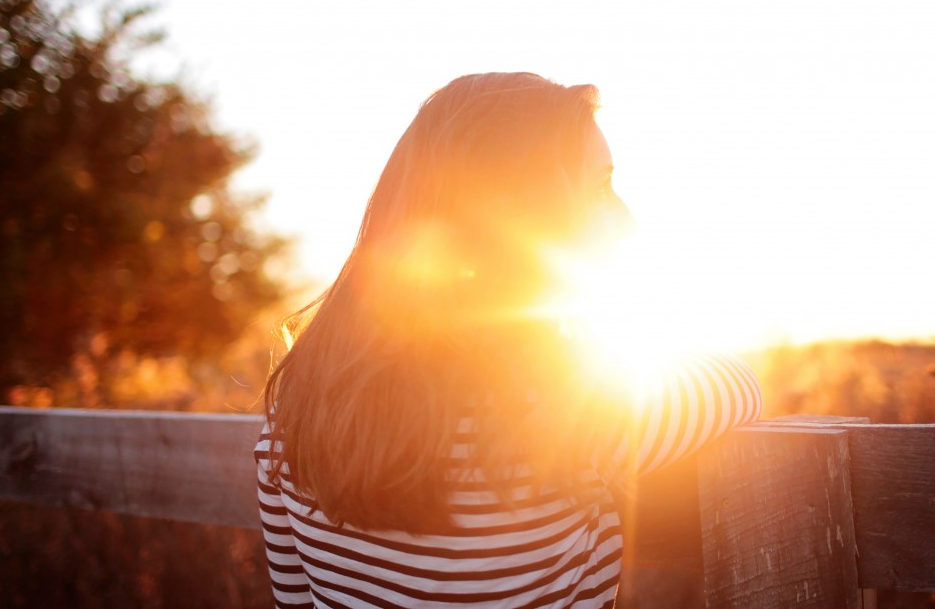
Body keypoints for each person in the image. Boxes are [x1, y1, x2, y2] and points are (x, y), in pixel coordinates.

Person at [255, 72, 763, 609]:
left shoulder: (291, 414)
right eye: (598, 187)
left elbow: (296, 602)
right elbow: (741, 385)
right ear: (520, 214)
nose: (627, 219)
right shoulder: (569, 405)